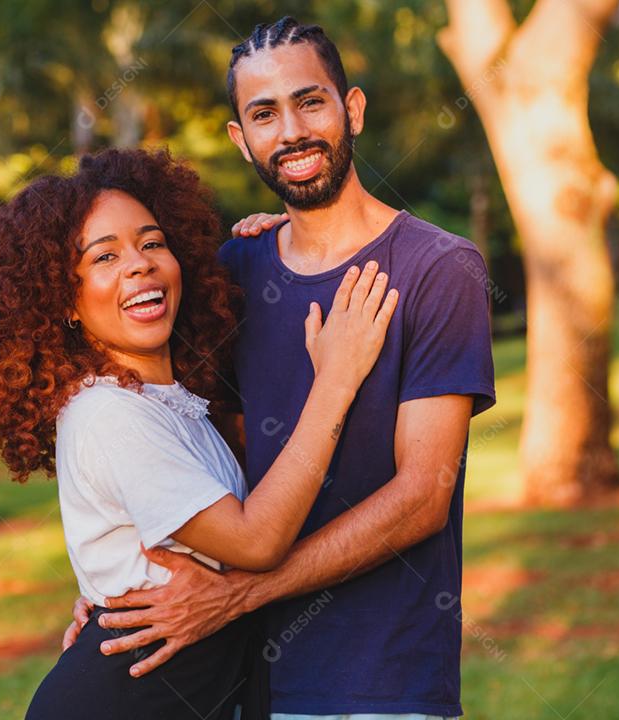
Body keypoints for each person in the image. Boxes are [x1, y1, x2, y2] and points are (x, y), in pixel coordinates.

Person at [68, 16, 497, 720]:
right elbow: (197, 459)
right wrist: (111, 575)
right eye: (264, 114)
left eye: (311, 102)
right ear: (242, 139)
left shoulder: (436, 269)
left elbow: (424, 495)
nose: (292, 132)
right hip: (242, 677)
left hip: (379, 680)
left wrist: (246, 590)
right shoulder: (232, 274)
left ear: (351, 108)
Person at [0, 146, 399, 719]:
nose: (139, 264)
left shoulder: (172, 407)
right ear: (65, 302)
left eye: (152, 242)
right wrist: (337, 380)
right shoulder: (109, 413)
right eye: (104, 257)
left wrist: (283, 238)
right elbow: (256, 542)